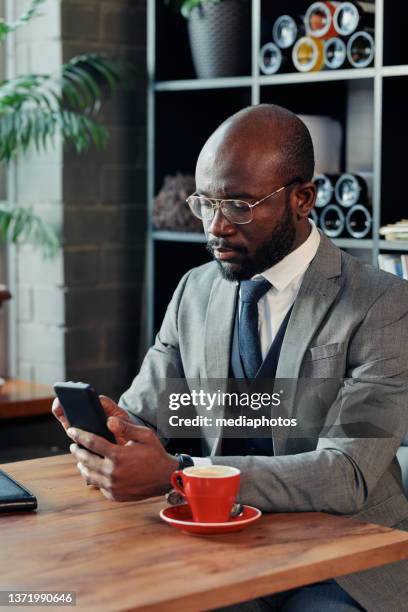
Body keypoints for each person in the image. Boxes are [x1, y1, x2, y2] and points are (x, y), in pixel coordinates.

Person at [53, 104, 408, 611]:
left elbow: (346, 473)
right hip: (224, 541)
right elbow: (145, 411)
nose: (216, 227)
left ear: (302, 199)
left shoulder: (383, 303)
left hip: (348, 554)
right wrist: (108, 434)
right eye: (206, 204)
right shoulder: (194, 291)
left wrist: (181, 472)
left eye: (240, 206)